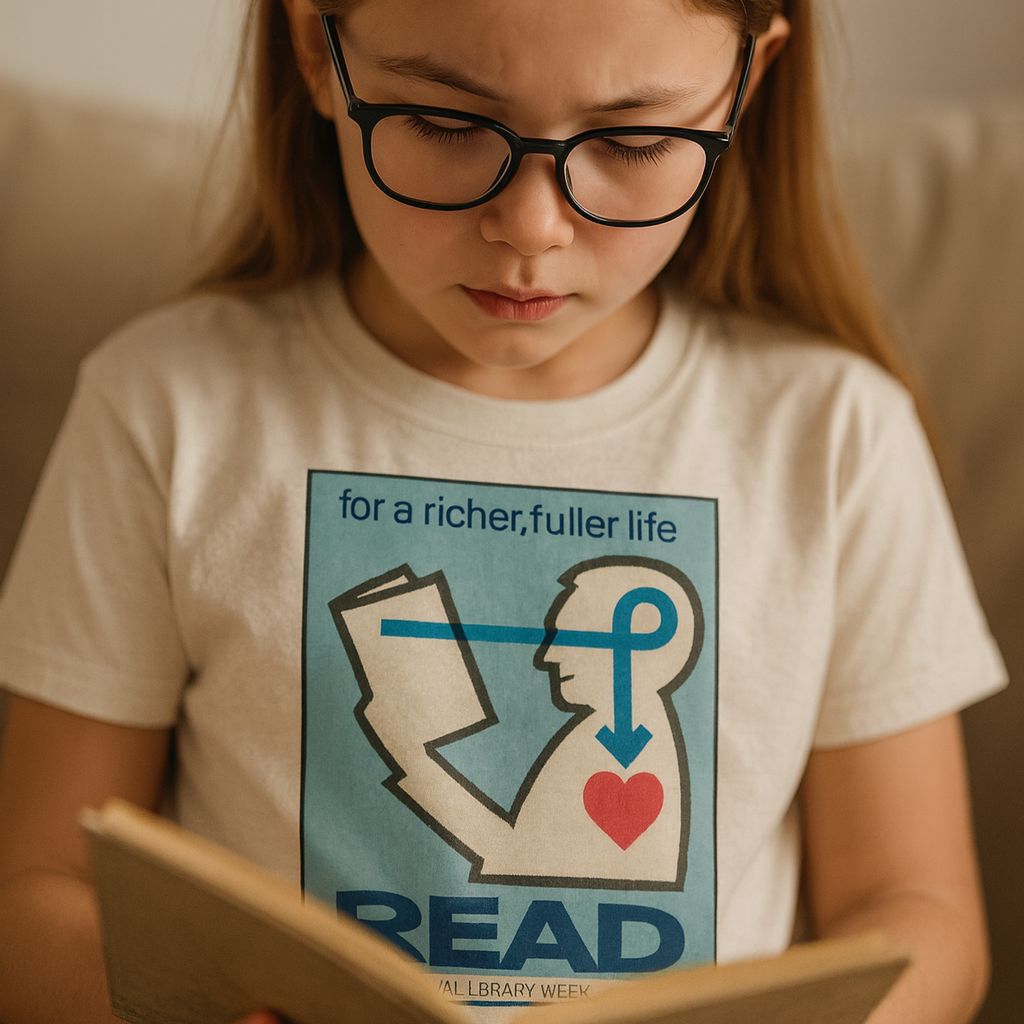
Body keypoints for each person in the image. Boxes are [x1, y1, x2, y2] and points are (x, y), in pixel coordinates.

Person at [0, 0, 1006, 1021]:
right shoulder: (164, 411)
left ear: (746, 83)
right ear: (316, 46)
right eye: (447, 125)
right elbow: (31, 899)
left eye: (633, 140)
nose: (531, 227)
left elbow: (918, 911)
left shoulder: (835, 440)